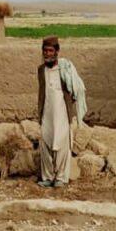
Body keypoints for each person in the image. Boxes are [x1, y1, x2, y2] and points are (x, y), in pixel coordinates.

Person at [37, 36, 86, 188]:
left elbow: (74, 89)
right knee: (45, 143)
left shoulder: (64, 70)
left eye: (51, 50)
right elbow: (42, 93)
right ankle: (48, 177)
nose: (47, 53)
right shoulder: (41, 70)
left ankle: (61, 178)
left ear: (57, 51)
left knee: (62, 144)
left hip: (62, 113)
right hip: (47, 112)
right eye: (45, 51)